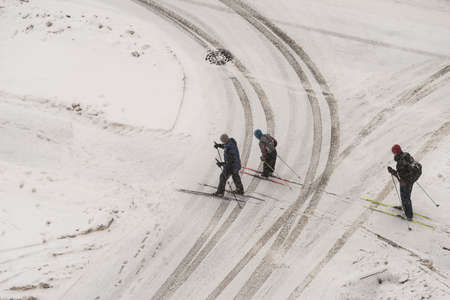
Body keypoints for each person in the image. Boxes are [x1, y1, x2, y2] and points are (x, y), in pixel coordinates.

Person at [387, 144, 422, 220]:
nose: (393, 154)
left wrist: (392, 171)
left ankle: (408, 215)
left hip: (406, 181)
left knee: (405, 197)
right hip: (411, 179)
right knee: (407, 195)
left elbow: (400, 177)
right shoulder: (406, 155)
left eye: (394, 152)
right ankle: (404, 207)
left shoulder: (400, 162)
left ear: (396, 152)